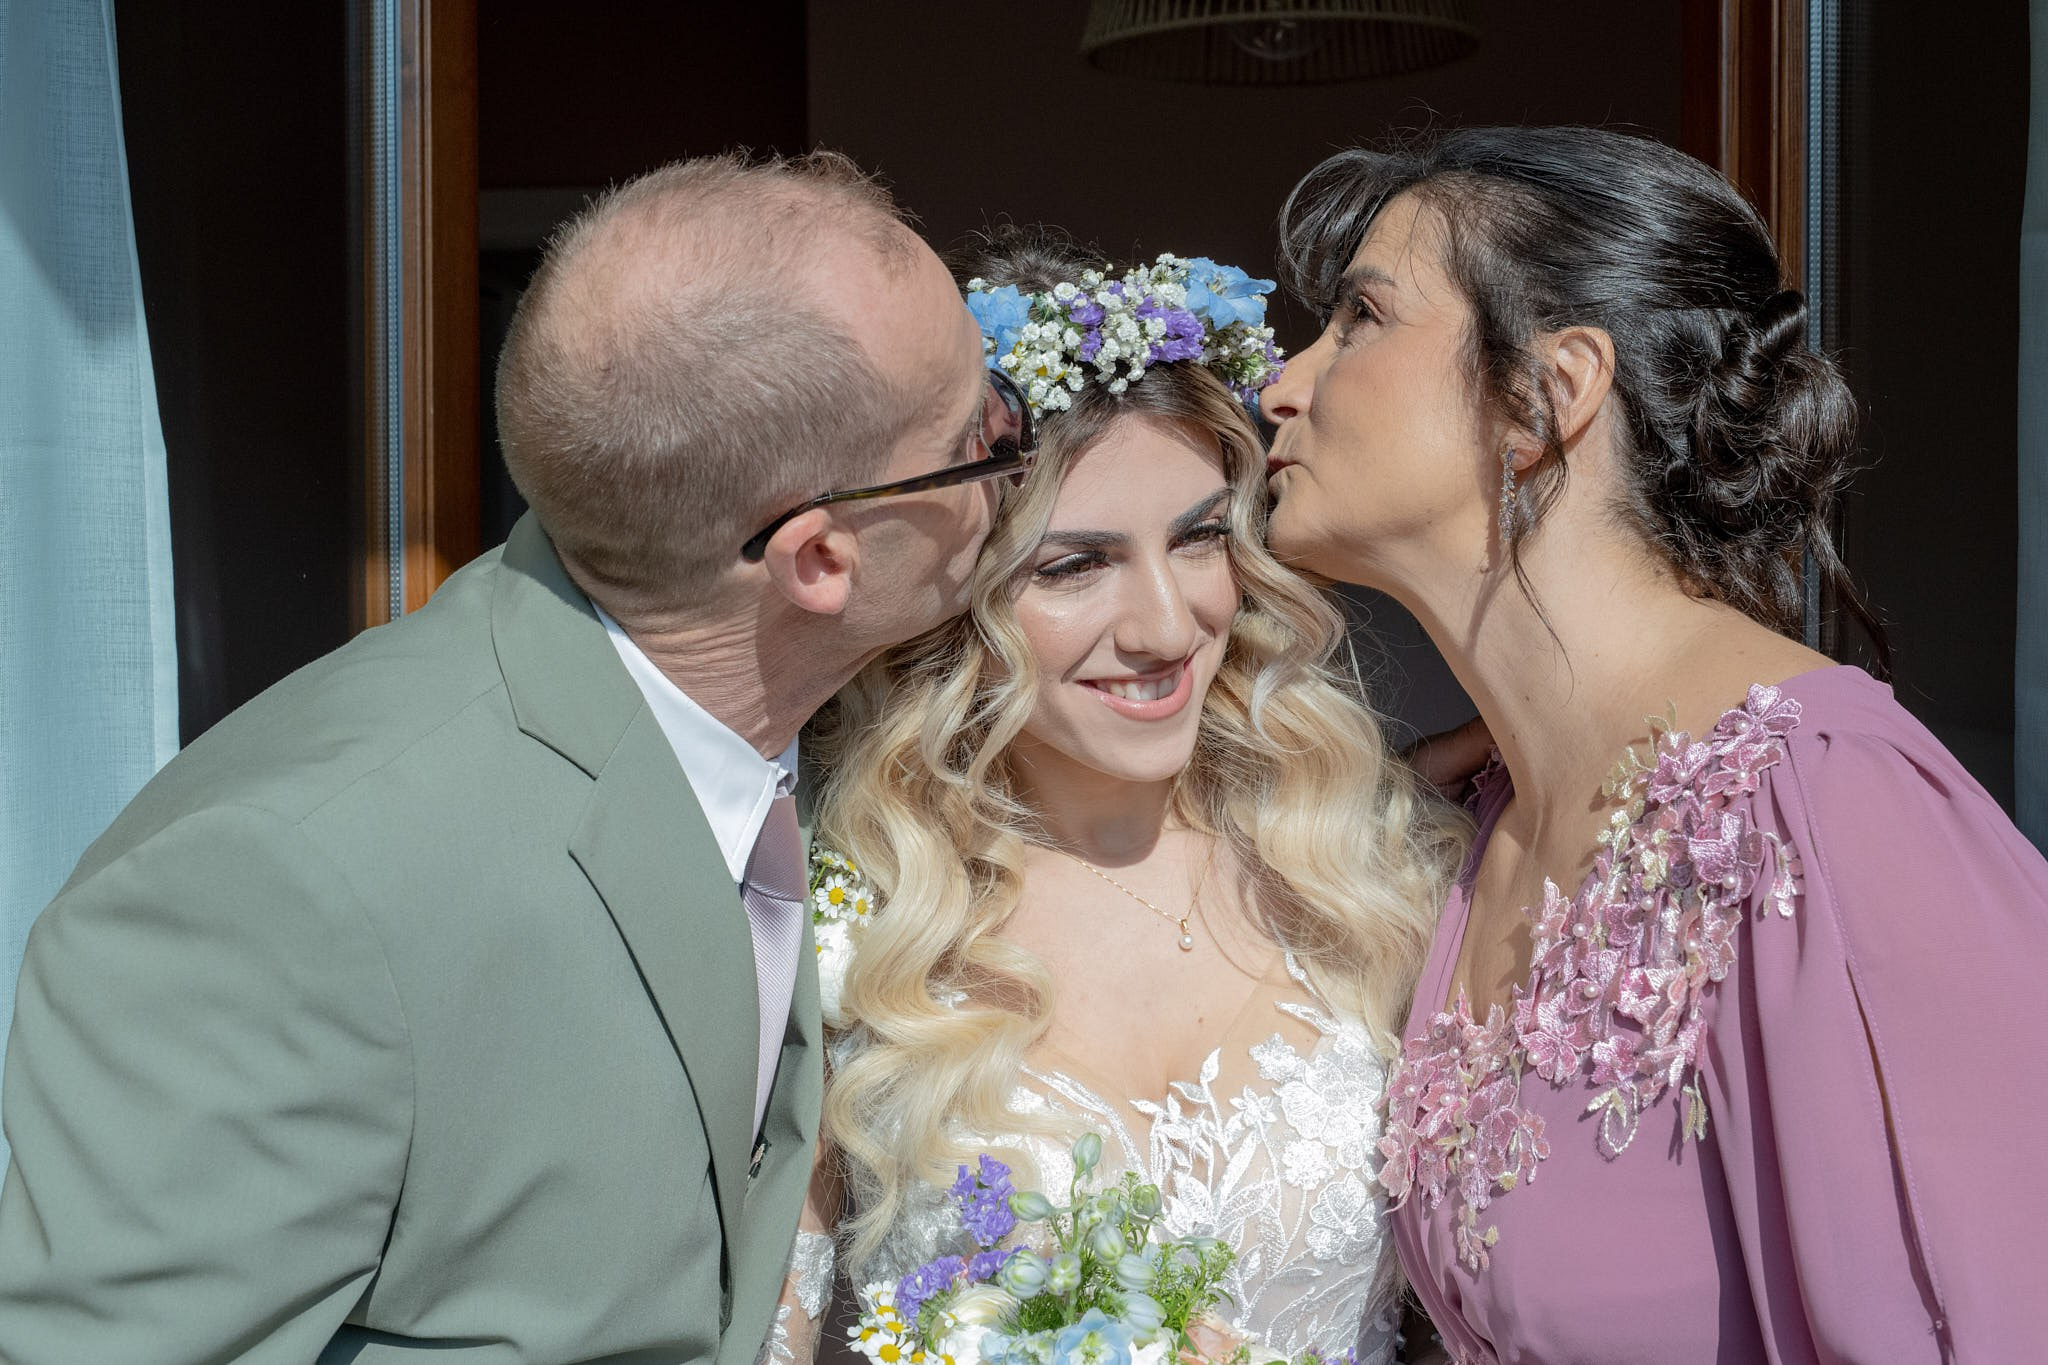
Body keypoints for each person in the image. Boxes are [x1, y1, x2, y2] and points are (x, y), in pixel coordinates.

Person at [0, 151, 1027, 1363]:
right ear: (819, 561)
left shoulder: (833, 728)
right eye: (984, 433)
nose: (1016, 459)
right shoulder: (281, 885)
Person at [1260, 125, 2048, 1364]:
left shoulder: (1825, 812)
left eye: (1359, 317)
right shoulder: (1489, 824)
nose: (1282, 385)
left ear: (1544, 395)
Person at [763, 228, 1464, 1364]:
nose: (1163, 625)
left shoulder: (1372, 880)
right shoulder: (849, 941)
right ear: (960, 599)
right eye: (1071, 566)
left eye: (1198, 541)